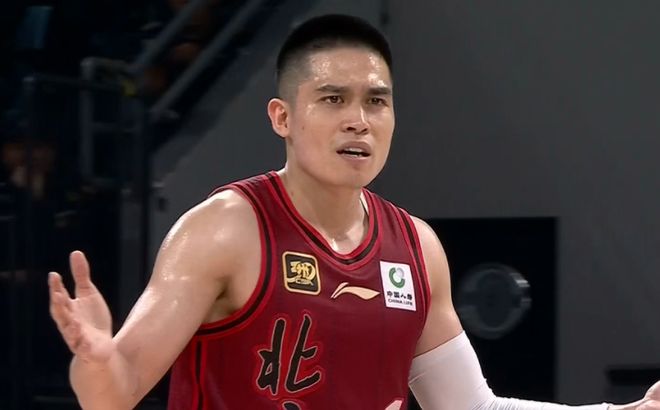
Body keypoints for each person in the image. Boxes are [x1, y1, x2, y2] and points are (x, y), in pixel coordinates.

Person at [48, 14, 659, 410]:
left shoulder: (417, 248)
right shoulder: (225, 228)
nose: (358, 121)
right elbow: (116, 390)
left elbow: (472, 407)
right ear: (282, 118)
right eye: (333, 99)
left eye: (376, 101)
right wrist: (96, 360)